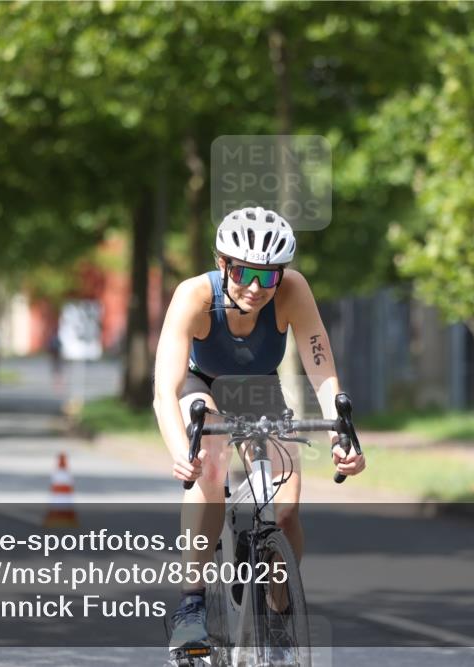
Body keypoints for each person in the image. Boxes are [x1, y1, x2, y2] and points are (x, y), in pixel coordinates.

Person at [152, 207, 366, 655]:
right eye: (245, 272)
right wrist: (181, 451)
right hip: (201, 387)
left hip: (260, 389)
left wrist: (341, 435)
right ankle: (191, 608)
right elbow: (164, 390)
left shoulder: (294, 291)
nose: (255, 287)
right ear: (222, 262)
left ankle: (280, 613)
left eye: (268, 277)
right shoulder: (193, 296)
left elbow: (321, 366)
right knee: (210, 465)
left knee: (286, 509)